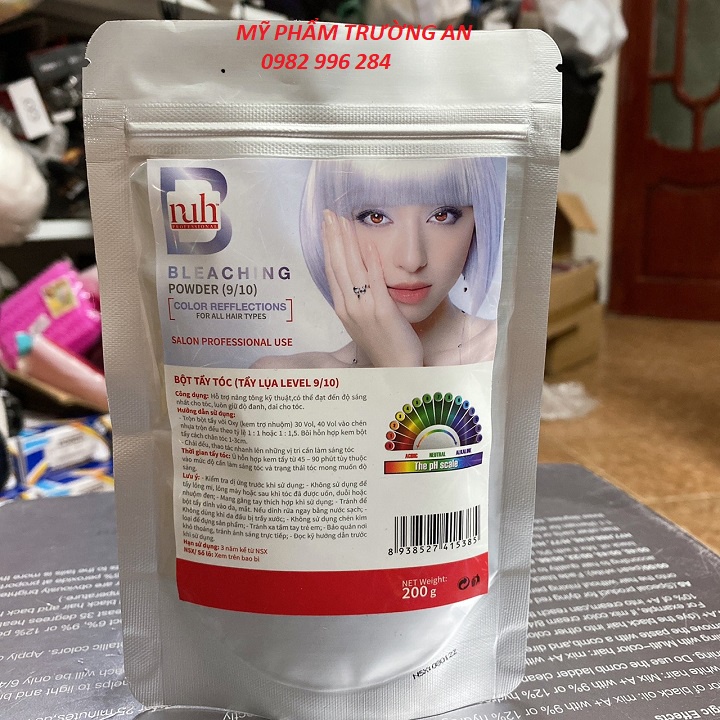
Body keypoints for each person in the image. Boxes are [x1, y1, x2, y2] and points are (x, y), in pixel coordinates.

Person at [253, 157, 504, 369]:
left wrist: (400, 369)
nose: (412, 260)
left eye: (441, 216)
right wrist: (399, 365)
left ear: (477, 222)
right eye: (376, 217)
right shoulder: (281, 378)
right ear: (329, 221)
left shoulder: (504, 351)